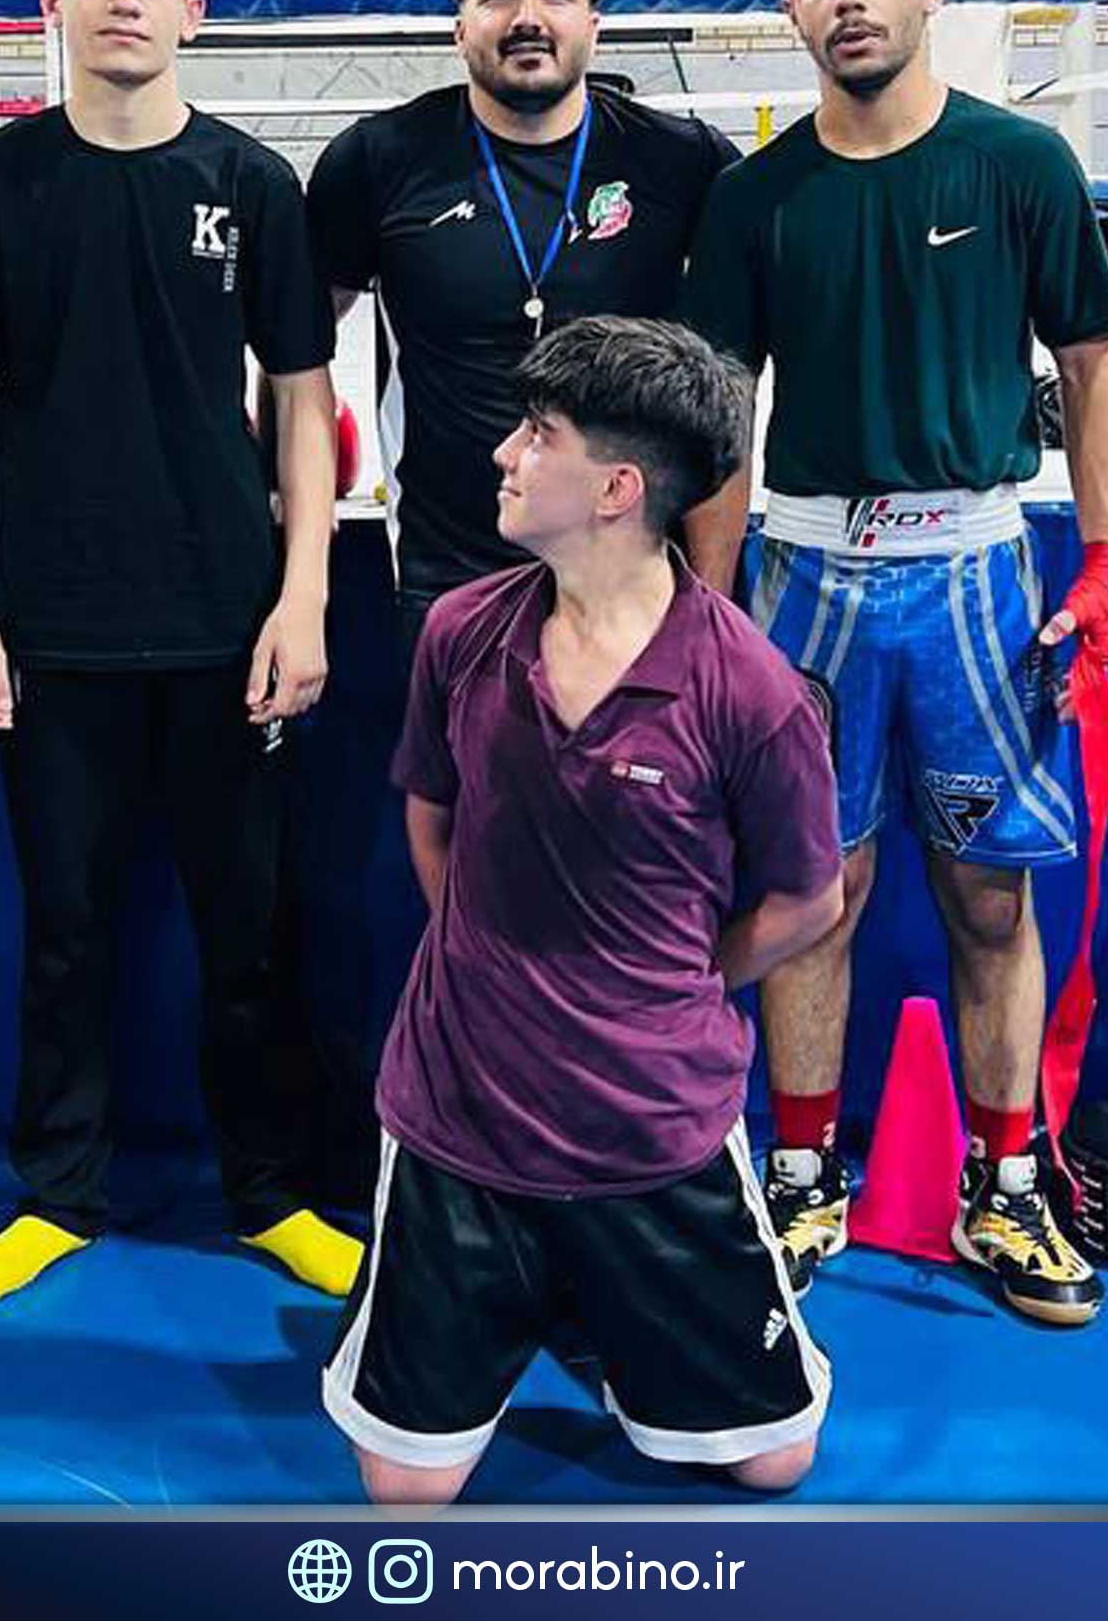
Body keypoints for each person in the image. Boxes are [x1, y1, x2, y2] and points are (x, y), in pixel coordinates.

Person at [683, 0, 1108, 1327]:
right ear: (790, 8)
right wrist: (703, 611)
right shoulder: (755, 198)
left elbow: (1092, 362)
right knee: (807, 890)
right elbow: (719, 415)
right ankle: (801, 1171)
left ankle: (1004, 1185)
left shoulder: (1019, 164)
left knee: (988, 891)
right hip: (804, 571)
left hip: (977, 573)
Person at [0, 0, 362, 1307]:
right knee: (65, 926)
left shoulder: (251, 184)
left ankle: (271, 1190)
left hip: (228, 616)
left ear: (194, 12)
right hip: (51, 619)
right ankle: (59, 1192)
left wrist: (303, 594)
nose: (124, 2)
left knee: (252, 929)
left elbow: (303, 400)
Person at [324, 314, 843, 1503]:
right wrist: (490, 962)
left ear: (618, 489)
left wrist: (675, 988)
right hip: (461, 1119)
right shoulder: (462, 633)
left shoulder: (749, 691)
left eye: (538, 434)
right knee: (407, 1492)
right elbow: (430, 814)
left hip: (650, 1126)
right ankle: (550, 1303)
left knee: (775, 1461)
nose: (503, 453)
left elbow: (808, 897)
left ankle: (592, 1305)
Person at [306, 0, 738, 653]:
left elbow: (730, 385)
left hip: (638, 587)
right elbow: (295, 354)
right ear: (459, 25)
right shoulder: (377, 162)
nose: (527, 17)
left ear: (593, 23)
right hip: (452, 587)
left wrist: (706, 604)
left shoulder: (685, 164)